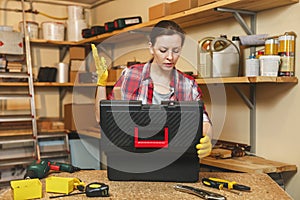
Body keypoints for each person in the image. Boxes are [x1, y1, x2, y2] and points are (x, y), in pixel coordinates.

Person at [95, 20, 212, 158]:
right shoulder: (130, 75)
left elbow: (204, 123)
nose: (170, 57)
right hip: (134, 160)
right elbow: (103, 119)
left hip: (175, 160)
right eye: (163, 50)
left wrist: (208, 139)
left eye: (176, 51)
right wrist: (101, 84)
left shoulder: (188, 84)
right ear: (151, 48)